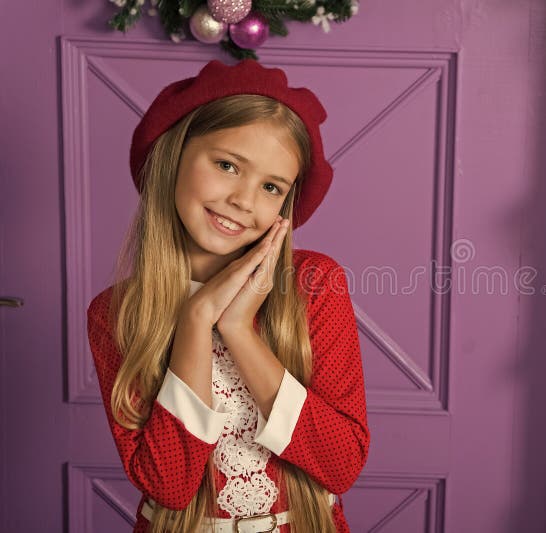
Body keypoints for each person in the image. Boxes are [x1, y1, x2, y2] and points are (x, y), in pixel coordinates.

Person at [85, 59, 370, 533]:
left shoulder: (314, 284)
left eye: (271, 187)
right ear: (173, 156)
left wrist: (238, 329)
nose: (243, 199)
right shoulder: (114, 314)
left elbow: (340, 466)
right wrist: (197, 318)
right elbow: (169, 486)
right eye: (227, 165)